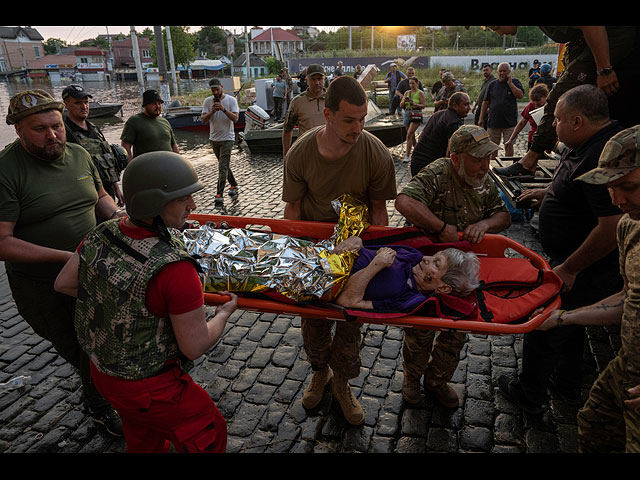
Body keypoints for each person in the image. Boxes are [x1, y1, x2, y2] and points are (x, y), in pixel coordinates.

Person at [54, 151, 238, 453]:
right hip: (152, 389)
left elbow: (64, 283)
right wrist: (223, 313)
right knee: (208, 432)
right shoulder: (175, 268)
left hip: (103, 374)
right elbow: (194, 345)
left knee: (143, 440)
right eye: (183, 199)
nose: (193, 206)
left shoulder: (102, 232)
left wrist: (122, 304)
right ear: (154, 203)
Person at [0, 90, 126, 436]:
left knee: (100, 341)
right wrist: (68, 257)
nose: (52, 135)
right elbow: (3, 242)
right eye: (40, 129)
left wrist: (119, 218)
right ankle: (100, 406)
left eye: (56, 126)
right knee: (78, 346)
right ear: (18, 131)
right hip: (41, 284)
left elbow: (99, 197)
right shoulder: (6, 170)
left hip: (90, 270)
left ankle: (100, 401)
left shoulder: (79, 154)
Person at [497, 85, 624, 416]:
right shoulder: (580, 144)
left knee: (545, 321)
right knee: (571, 326)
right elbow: (572, 186)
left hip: (583, 263)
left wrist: (569, 268)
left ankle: (530, 392)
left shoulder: (604, 155)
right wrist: (547, 194)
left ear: (578, 121)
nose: (552, 125)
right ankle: (566, 384)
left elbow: (610, 227)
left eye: (558, 119)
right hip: (570, 258)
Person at [282, 76, 397, 425]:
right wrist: (295, 259)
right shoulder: (301, 153)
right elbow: (292, 211)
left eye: (363, 119)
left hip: (358, 247)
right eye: (349, 120)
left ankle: (343, 383)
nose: (358, 128)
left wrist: (377, 259)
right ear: (328, 115)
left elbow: (379, 210)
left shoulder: (374, 151)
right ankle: (320, 372)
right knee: (313, 319)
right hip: (315, 249)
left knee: (349, 322)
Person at [535, 125, 640, 452]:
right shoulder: (629, 226)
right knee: (594, 423)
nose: (617, 200)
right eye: (609, 187)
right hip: (629, 366)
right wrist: (563, 317)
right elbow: (628, 300)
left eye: (628, 186)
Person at [395, 125, 511, 408]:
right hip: (428, 271)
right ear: (457, 158)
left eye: (488, 157)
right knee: (420, 332)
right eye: (478, 158)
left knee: (455, 334)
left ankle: (437, 381)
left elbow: (504, 216)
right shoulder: (439, 171)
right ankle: (412, 379)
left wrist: (485, 224)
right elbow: (404, 201)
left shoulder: (483, 177)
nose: (485, 165)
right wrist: (440, 227)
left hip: (457, 274)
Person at [489, 26, 639, 178]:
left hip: (615, 38)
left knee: (560, 100)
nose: (499, 33)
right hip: (602, 40)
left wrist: (604, 69)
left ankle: (529, 162)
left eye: (495, 27)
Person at [335, 238, 480, 312]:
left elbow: (347, 301)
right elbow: (365, 246)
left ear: (443, 288)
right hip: (328, 252)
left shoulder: (409, 298)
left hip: (325, 277)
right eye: (433, 257)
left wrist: (376, 265)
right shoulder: (413, 256)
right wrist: (356, 241)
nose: (425, 258)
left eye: (436, 264)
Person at [62, 84, 126, 211]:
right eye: (78, 103)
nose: (84, 106)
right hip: (85, 195)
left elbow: (107, 158)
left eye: (86, 102)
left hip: (107, 191)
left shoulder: (94, 128)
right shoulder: (64, 131)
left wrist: (116, 188)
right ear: (66, 104)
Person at [409, 92, 471, 176]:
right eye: (465, 105)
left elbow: (421, 136)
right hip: (431, 165)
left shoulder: (437, 114)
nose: (469, 108)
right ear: (455, 105)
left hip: (416, 160)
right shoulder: (454, 121)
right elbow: (451, 149)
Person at [200, 78, 240, 206]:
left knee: (222, 167)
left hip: (227, 138)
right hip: (214, 139)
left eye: (217, 89)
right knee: (225, 165)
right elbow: (203, 120)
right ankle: (233, 184)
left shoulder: (231, 100)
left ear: (221, 87)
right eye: (213, 90)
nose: (215, 92)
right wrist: (212, 111)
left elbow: (235, 118)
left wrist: (223, 109)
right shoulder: (207, 102)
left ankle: (219, 194)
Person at [478, 62, 525, 158]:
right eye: (500, 71)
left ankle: (507, 165)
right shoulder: (492, 85)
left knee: (508, 145)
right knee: (493, 147)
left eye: (505, 71)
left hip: (509, 122)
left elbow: (520, 95)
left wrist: (510, 84)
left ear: (509, 72)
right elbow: (485, 102)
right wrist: (481, 118)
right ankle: (492, 165)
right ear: (497, 72)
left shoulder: (515, 82)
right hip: (493, 122)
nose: (502, 73)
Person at [120, 89, 179, 161]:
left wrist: (178, 162)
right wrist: (131, 166)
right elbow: (125, 146)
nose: (157, 106)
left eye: (159, 103)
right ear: (145, 105)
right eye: (154, 104)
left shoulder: (165, 121)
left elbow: (174, 145)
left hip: (167, 167)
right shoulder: (134, 121)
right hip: (146, 168)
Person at [282, 64, 327, 157]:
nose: (317, 82)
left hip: (329, 153)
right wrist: (286, 155)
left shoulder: (334, 100)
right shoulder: (297, 102)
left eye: (319, 79)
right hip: (306, 154)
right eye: (313, 79)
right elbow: (287, 129)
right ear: (306, 80)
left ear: (324, 79)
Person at [504, 83, 549, 153]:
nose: (536, 105)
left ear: (546, 96)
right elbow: (521, 123)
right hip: (533, 140)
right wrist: (511, 139)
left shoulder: (551, 106)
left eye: (539, 102)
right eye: (534, 103)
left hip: (548, 141)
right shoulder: (531, 106)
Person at [399, 76, 427, 163]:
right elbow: (401, 105)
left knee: (409, 135)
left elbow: (423, 105)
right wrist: (404, 101)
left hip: (416, 113)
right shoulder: (407, 92)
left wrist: (414, 103)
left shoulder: (420, 93)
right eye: (410, 83)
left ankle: (407, 156)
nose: (411, 85)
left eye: (413, 83)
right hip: (407, 113)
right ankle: (418, 152)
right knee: (411, 136)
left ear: (417, 83)